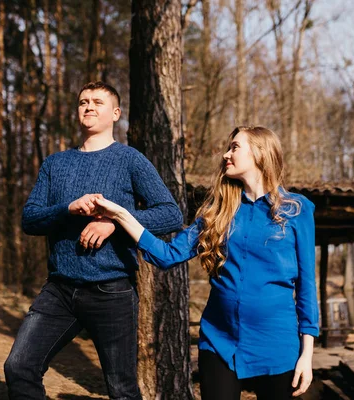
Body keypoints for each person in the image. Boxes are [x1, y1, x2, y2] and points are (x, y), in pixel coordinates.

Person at [85, 126, 319, 400]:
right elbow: (166, 255)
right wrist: (122, 215)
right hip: (219, 341)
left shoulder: (297, 210)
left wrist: (307, 355)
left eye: (234, 147)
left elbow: (306, 287)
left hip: (277, 345)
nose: (225, 154)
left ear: (260, 153)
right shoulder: (218, 212)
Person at [3, 81, 183, 400]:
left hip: (111, 291)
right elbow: (30, 219)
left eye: (98, 102)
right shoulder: (55, 164)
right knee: (19, 367)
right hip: (59, 290)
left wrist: (115, 221)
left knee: (122, 390)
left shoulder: (130, 160)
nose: (88, 106)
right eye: (83, 101)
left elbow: (171, 213)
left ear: (115, 113)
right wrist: (68, 208)